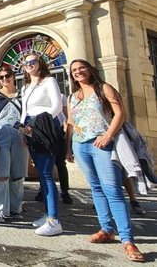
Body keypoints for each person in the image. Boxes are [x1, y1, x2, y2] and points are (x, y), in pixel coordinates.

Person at [65, 59, 144, 262]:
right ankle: (106, 229)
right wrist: (68, 147)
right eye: (74, 70)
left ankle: (127, 240)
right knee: (96, 188)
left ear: (90, 69)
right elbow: (71, 124)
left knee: (112, 190)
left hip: (102, 144)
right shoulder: (73, 96)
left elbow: (120, 113)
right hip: (80, 145)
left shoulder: (104, 89)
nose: (78, 72)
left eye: (81, 67)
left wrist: (108, 135)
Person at [20, 53, 64, 236]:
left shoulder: (49, 81)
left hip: (44, 126)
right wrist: (22, 131)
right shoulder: (26, 87)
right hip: (30, 128)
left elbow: (57, 106)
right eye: (26, 63)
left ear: (40, 63)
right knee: (41, 172)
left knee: (46, 173)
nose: (29, 65)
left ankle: (54, 219)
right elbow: (24, 110)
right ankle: (47, 215)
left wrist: (39, 123)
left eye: (33, 62)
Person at [0, 66, 27, 223]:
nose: (4, 80)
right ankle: (0, 210)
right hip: (0, 136)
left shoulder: (24, 94)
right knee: (1, 173)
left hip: (20, 136)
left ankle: (15, 208)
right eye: (1, 78)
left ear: (14, 76)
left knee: (18, 174)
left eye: (7, 76)